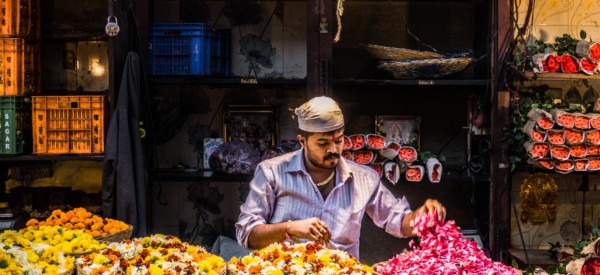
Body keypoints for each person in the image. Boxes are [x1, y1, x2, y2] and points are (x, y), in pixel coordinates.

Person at [235, 96, 446, 259]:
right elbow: (246, 234)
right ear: (302, 141)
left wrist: (421, 217)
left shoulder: (364, 179)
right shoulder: (272, 172)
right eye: (323, 143)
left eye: (338, 140)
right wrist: (289, 228)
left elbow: (399, 222)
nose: (334, 149)